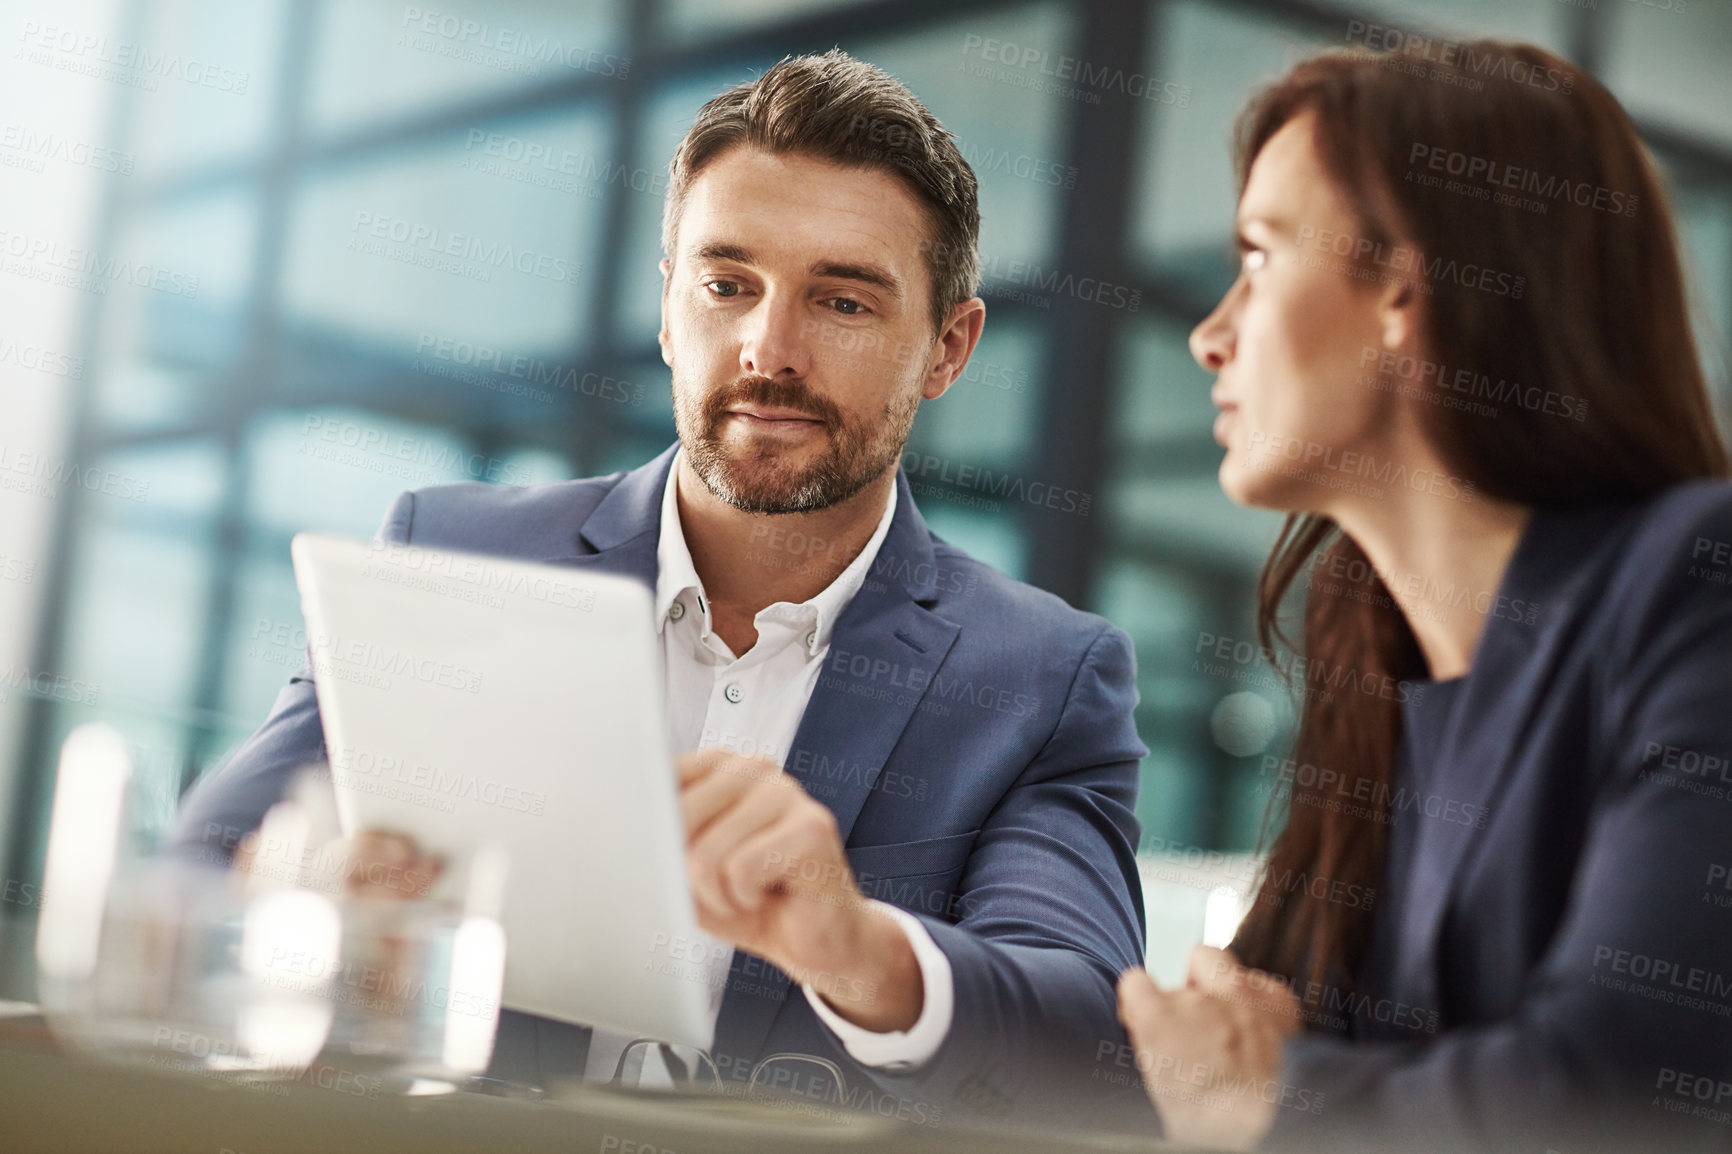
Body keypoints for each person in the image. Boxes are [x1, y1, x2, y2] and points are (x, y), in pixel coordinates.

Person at [172, 51, 1154, 1130]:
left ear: (947, 348)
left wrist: (861, 951)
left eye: (840, 300)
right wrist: (301, 906)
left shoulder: (1039, 675)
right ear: (666, 308)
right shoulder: (449, 555)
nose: (765, 350)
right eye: (725, 285)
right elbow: (196, 885)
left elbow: (1088, 1044)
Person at [1114, 40, 1732, 1153]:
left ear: (1404, 284)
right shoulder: (1375, 665)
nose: (1210, 336)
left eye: (1258, 255)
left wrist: (1264, 1099)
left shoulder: (1698, 578)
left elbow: (1628, 1090)